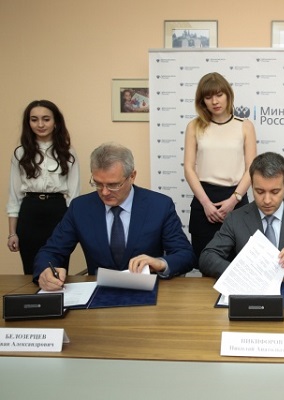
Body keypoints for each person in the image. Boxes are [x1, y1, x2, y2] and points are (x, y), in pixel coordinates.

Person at [33, 142, 196, 290]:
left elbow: (185, 255)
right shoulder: (80, 208)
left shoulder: (159, 206)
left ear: (132, 176)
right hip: (99, 294)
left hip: (147, 292)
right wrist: (46, 271)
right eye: (98, 183)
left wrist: (160, 263)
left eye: (113, 185)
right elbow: (51, 251)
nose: (104, 192)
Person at [199, 152, 284, 279]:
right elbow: (207, 257)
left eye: (275, 192)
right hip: (248, 290)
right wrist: (239, 273)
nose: (267, 200)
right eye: (260, 191)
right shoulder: (235, 219)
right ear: (252, 185)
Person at [184, 72, 257, 264]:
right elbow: (189, 168)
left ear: (228, 95)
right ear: (202, 101)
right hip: (204, 201)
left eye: (219, 95)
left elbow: (251, 167)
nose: (215, 101)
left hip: (237, 199)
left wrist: (234, 200)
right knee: (205, 264)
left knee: (240, 265)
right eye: (208, 97)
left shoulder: (245, 126)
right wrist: (206, 204)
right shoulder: (194, 126)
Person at [6, 100, 80, 275]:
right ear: (28, 123)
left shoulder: (68, 152)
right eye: (34, 119)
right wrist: (12, 233)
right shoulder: (20, 153)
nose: (40, 124)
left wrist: (74, 228)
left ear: (56, 122)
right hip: (29, 213)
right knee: (31, 270)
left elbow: (74, 196)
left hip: (58, 212)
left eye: (46, 119)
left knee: (58, 269)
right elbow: (14, 197)